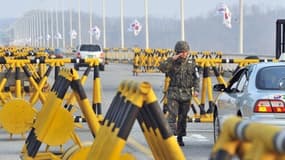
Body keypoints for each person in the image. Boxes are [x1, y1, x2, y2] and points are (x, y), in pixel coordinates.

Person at [158, 40, 200, 146]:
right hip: (174, 93)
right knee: (172, 115)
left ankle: (180, 137)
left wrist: (196, 89)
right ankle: (171, 137)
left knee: (182, 117)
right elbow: (162, 68)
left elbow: (196, 78)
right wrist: (172, 59)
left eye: (185, 52)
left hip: (186, 94)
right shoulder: (171, 63)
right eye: (181, 52)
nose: (184, 54)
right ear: (177, 52)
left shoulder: (192, 63)